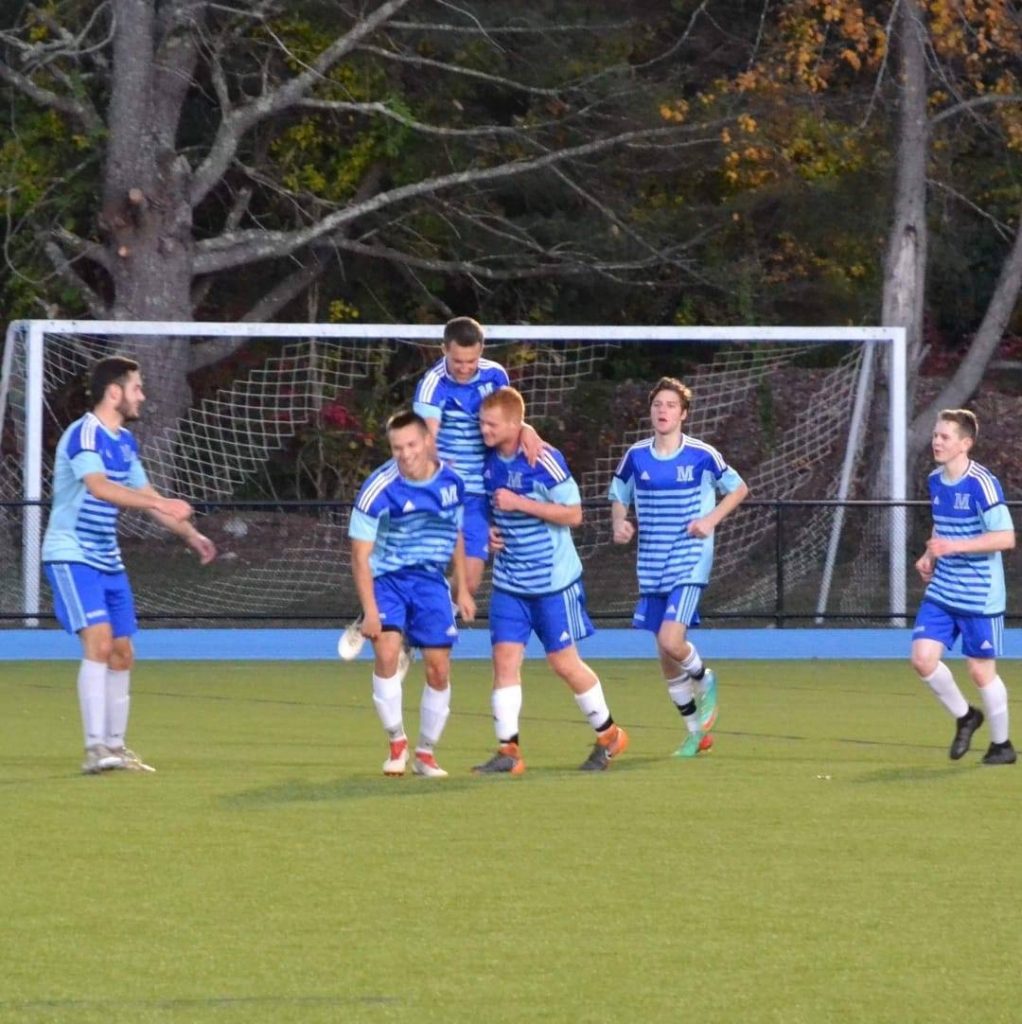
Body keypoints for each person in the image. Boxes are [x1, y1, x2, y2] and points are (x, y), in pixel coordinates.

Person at [42, 356, 217, 775]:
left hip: (108, 559)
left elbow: (146, 494)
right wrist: (159, 502)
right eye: (137, 388)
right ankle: (93, 748)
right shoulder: (84, 434)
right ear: (114, 392)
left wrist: (191, 534)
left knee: (122, 653)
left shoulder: (125, 442)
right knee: (99, 644)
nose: (142, 396)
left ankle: (116, 749)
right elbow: (99, 488)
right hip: (71, 552)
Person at [338, 316, 540, 658]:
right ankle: (379, 616)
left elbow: (507, 421)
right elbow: (427, 438)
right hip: (440, 493)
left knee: (469, 585)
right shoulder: (432, 385)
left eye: (471, 361)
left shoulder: (495, 376)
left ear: (482, 352)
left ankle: (408, 630)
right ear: (444, 349)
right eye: (457, 361)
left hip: (477, 497)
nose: (464, 368)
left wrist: (528, 430)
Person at [473, 387, 628, 774]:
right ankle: (509, 751)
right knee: (504, 660)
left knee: (564, 663)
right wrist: (489, 531)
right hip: (510, 580)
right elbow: (487, 504)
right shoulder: (488, 459)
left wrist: (519, 503)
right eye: (481, 422)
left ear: (514, 424)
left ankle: (610, 735)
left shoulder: (544, 459)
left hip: (552, 582)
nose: (484, 430)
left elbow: (574, 514)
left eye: (491, 424)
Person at [609, 376, 748, 758]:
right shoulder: (636, 456)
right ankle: (695, 734)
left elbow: (738, 489)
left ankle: (705, 678)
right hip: (651, 563)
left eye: (671, 405)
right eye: (658, 405)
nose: (663, 411)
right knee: (664, 655)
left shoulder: (702, 454)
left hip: (689, 559)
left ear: (683, 414)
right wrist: (619, 522)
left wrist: (710, 521)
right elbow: (618, 495)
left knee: (673, 640)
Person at [348, 410, 476, 778]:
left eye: (411, 445)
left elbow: (457, 533)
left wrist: (463, 587)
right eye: (396, 448)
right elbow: (359, 555)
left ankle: (425, 753)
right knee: (386, 653)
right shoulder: (378, 488)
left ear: (427, 442)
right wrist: (370, 611)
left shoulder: (452, 482)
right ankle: (396, 742)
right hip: (386, 578)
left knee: (439, 668)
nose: (404, 454)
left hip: (431, 582)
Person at [910, 409, 1016, 765]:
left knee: (979, 671)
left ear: (965, 444)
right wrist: (929, 555)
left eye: (945, 437)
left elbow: (1005, 538)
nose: (936, 441)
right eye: (936, 435)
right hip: (943, 590)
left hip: (979, 594)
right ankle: (966, 716)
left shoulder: (982, 483)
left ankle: (1002, 746)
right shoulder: (935, 480)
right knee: (923, 660)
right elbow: (942, 529)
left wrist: (954, 548)